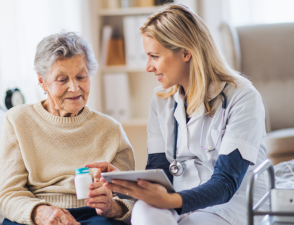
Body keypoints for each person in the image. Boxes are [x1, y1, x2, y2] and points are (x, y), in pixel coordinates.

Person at [86, 4, 268, 225]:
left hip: (226, 207)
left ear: (185, 52)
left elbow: (226, 183)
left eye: (154, 56)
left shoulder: (243, 97)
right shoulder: (161, 99)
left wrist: (172, 200)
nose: (148, 67)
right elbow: (159, 172)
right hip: (173, 203)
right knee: (144, 214)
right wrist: (123, 182)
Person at [0, 32, 135, 225]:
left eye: (81, 76)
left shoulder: (110, 129)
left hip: (94, 215)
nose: (75, 88)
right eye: (62, 80)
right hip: (38, 213)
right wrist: (40, 213)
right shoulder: (18, 120)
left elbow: (131, 199)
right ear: (42, 81)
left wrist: (112, 207)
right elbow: (8, 195)